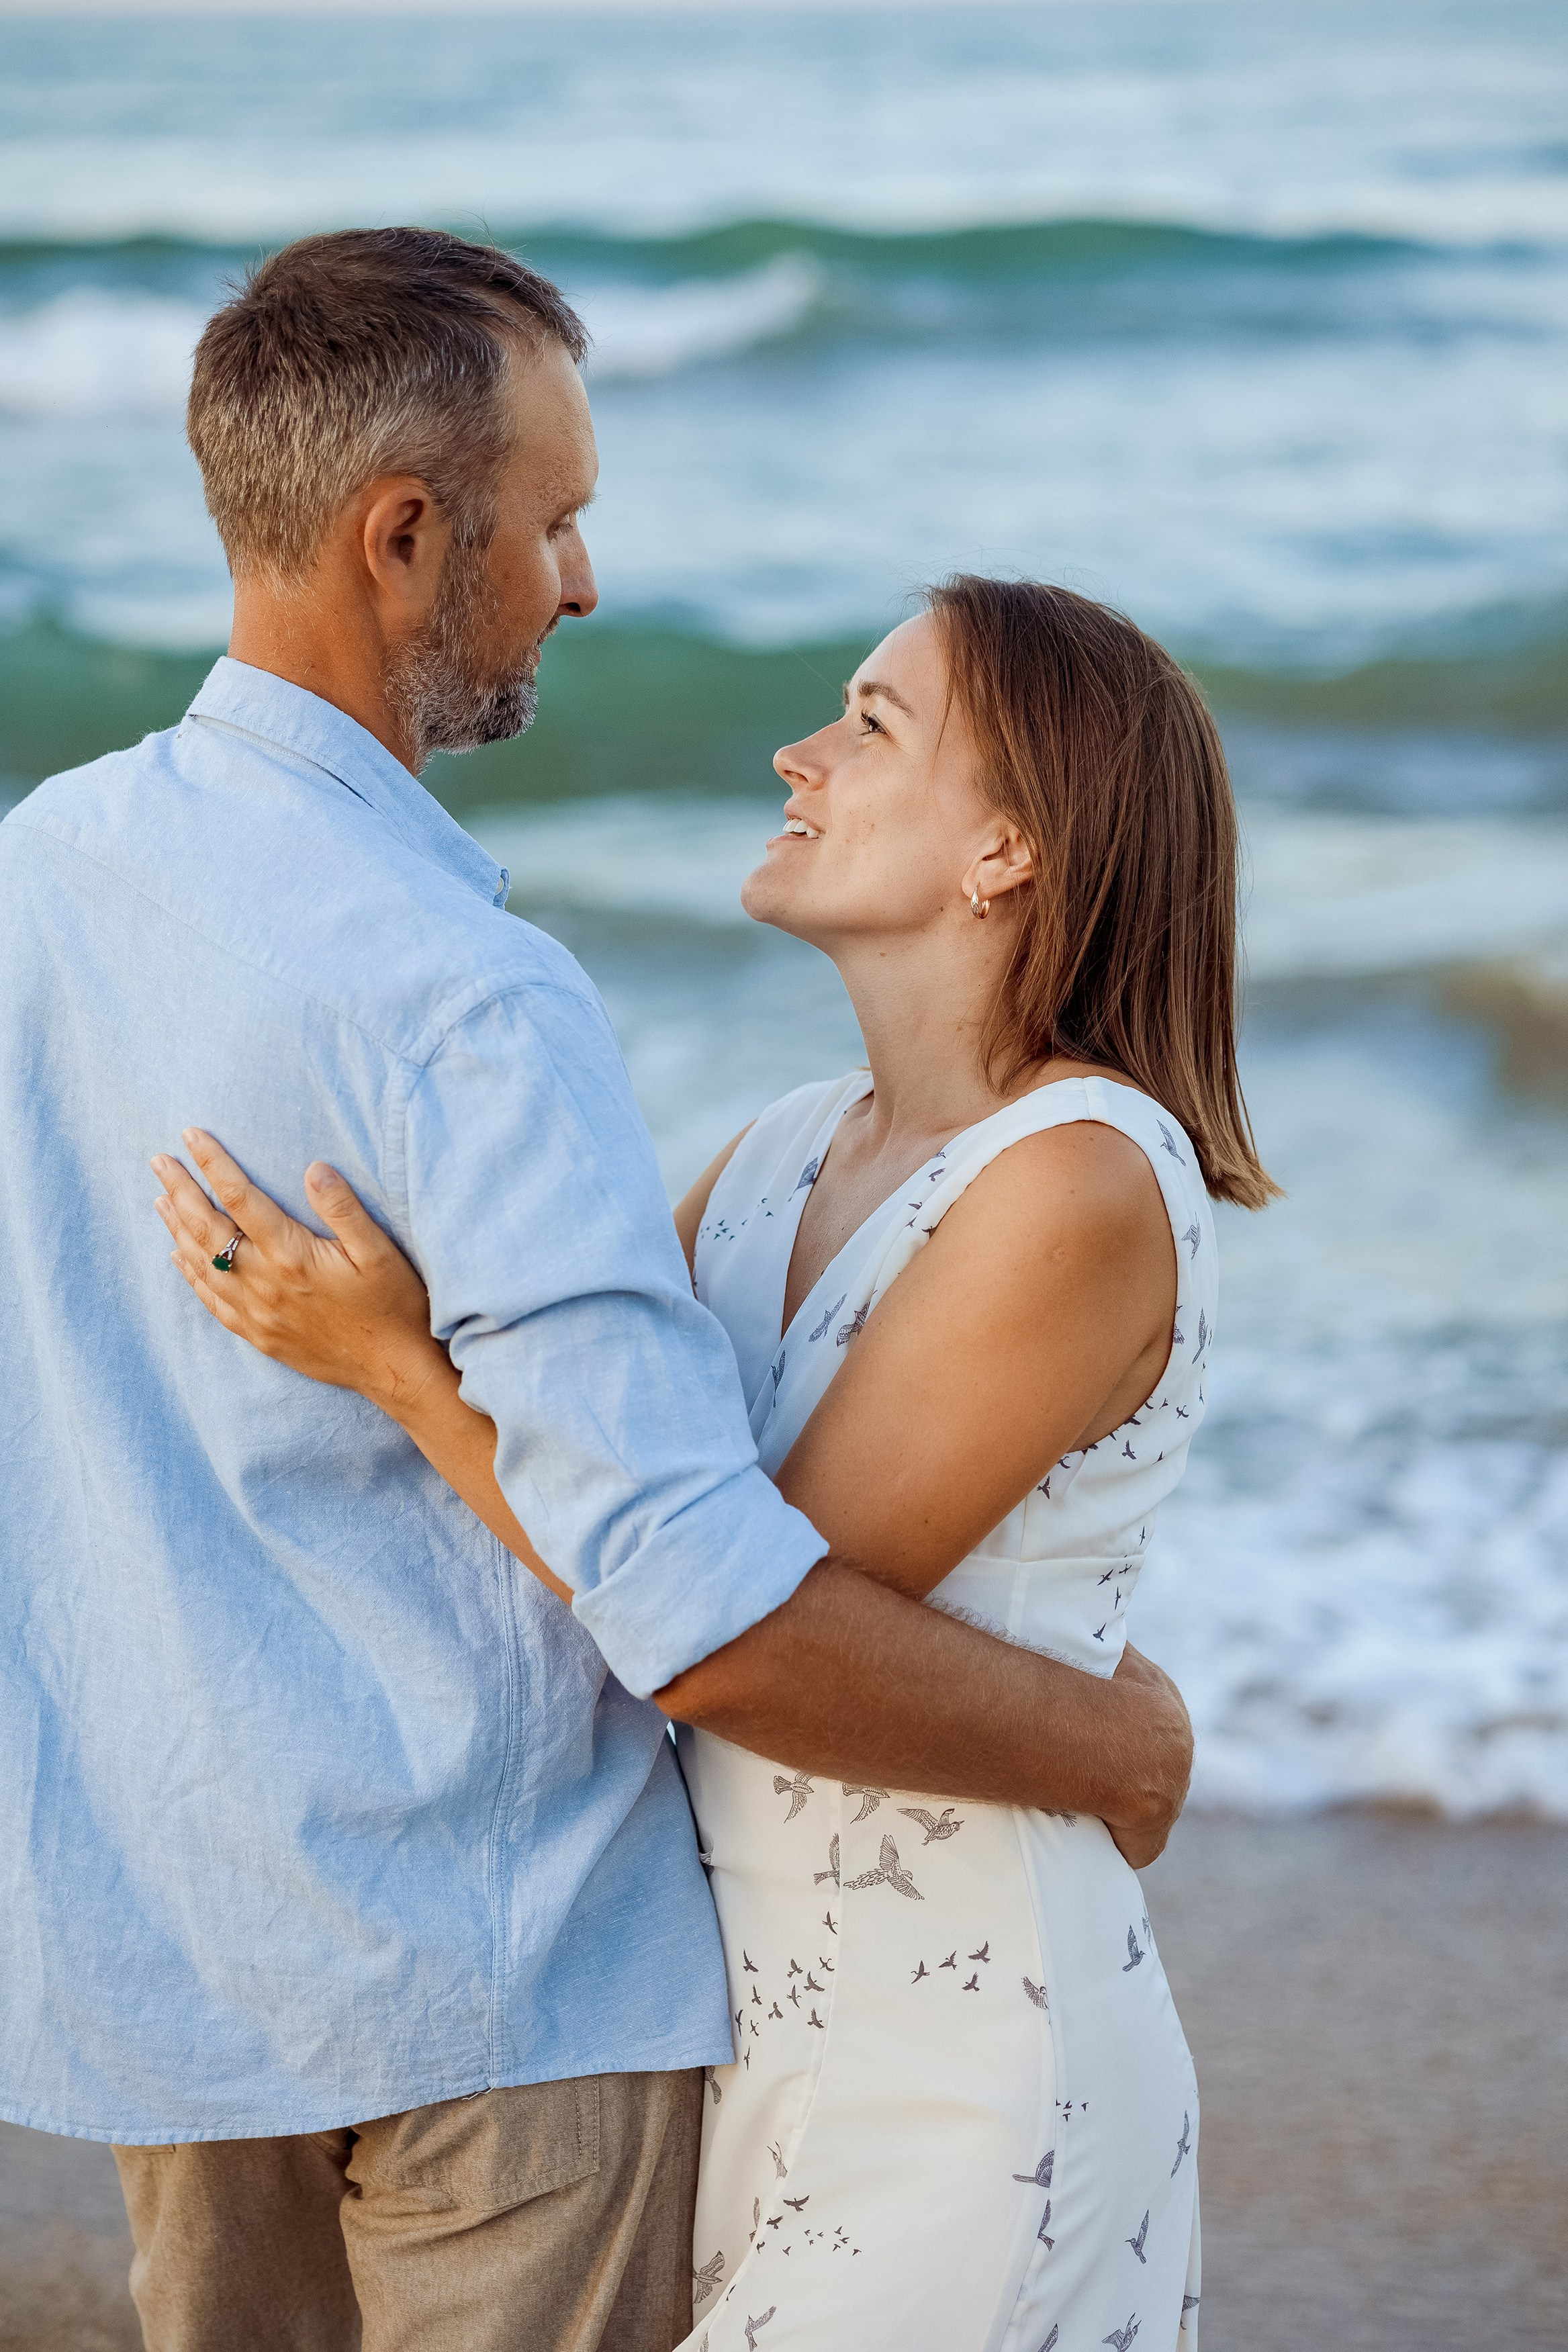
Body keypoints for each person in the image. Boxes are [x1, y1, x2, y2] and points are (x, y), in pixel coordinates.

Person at [0, 228, 1191, 2352]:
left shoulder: (36, 881)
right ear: (402, 537)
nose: (583, 580)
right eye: (556, 520)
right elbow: (698, 1595)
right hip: (496, 1975)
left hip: (171, 1955)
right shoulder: (473, 997)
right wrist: (1116, 1743)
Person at [154, 573, 1276, 2350]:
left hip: (960, 2064)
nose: (799, 752)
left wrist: (390, 1369)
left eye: (871, 723)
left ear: (1010, 849)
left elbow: (742, 1622)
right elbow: (589, 1471)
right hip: (740, 2039)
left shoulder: (1076, 1179)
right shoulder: (773, 1149)